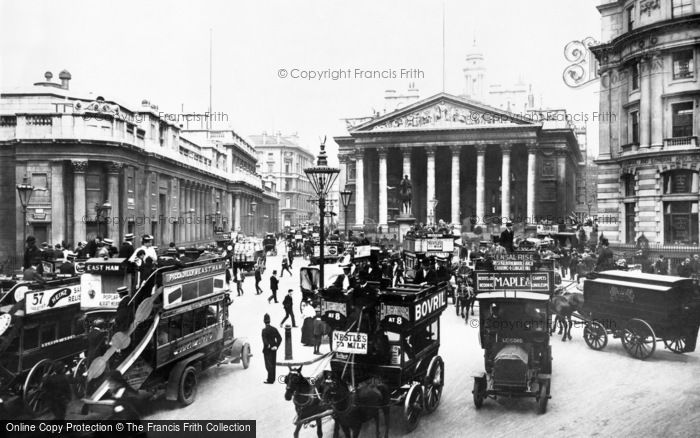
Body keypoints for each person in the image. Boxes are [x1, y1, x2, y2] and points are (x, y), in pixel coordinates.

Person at [261, 313, 282, 384]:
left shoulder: (264, 330)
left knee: (268, 365)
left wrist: (268, 345)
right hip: (274, 349)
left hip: (267, 350)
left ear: (264, 321)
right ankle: (272, 379)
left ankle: (270, 379)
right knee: (273, 364)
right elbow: (279, 338)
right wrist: (276, 346)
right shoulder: (274, 329)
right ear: (270, 321)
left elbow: (264, 340)